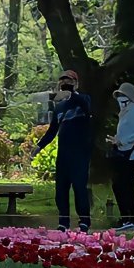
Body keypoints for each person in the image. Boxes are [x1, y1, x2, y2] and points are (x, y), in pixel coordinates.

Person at [36, 70, 92, 232]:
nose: (64, 84)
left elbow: (87, 108)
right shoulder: (59, 107)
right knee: (61, 189)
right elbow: (52, 131)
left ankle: (84, 221)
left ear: (76, 83)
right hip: (63, 154)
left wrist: (72, 93)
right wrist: (39, 147)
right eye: (62, 82)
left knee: (80, 187)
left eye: (69, 81)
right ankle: (63, 222)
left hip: (80, 153)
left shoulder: (84, 100)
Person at [110, 81, 134, 230]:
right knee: (121, 186)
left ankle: (131, 219)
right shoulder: (124, 112)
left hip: (132, 155)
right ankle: (130, 218)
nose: (120, 98)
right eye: (118, 95)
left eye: (123, 95)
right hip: (124, 153)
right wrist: (117, 140)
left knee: (123, 185)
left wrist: (123, 141)